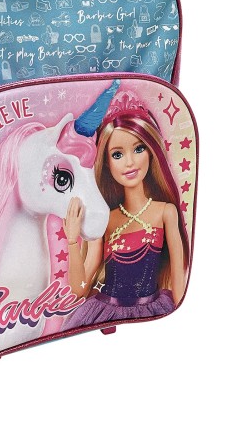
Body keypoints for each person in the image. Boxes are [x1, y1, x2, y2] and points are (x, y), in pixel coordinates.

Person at [62, 92, 190, 328]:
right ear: (107, 162)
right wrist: (72, 240)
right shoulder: (106, 220)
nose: (130, 162)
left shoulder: (166, 212)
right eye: (118, 154)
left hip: (153, 309)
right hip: (105, 312)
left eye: (138, 149)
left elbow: (179, 279)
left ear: (151, 151)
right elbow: (79, 289)